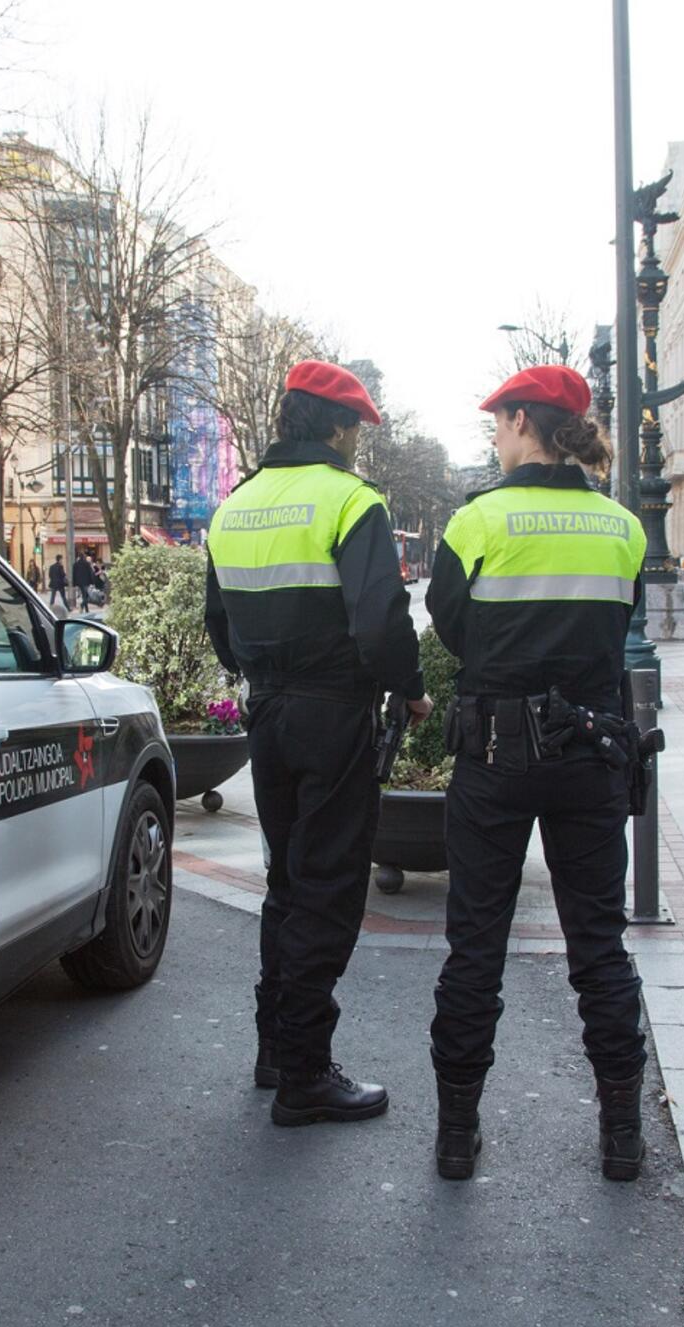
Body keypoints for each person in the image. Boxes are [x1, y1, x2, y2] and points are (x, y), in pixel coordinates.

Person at [427, 364, 649, 1184]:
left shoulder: (477, 519)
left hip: (495, 754)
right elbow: (619, 625)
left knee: (475, 946)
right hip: (591, 753)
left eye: (498, 422)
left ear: (524, 422)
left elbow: (450, 626)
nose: (495, 436)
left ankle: (457, 1136)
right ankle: (621, 1135)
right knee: (599, 945)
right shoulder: (622, 526)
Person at [205, 359, 427, 1126]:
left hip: (267, 712)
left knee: (288, 883)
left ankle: (275, 1047)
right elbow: (381, 621)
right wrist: (411, 686)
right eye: (356, 428)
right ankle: (305, 1071)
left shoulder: (234, 506)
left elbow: (218, 624)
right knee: (328, 887)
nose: (358, 441)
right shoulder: (352, 500)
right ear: (337, 427)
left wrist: (263, 673)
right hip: (334, 713)